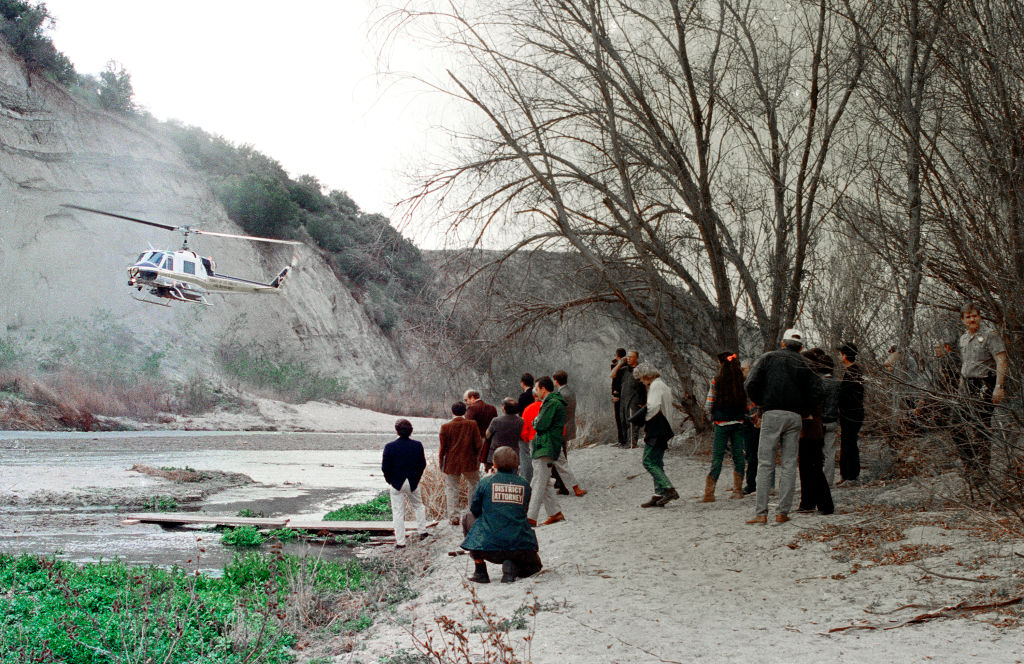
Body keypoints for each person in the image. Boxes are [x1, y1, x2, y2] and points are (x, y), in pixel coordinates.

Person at [744, 328, 821, 525]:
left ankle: (761, 513)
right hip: (795, 416)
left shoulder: (767, 358)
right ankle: (782, 512)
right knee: (788, 464)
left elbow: (750, 383)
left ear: (783, 343)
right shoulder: (807, 363)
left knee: (765, 464)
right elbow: (817, 392)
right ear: (801, 346)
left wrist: (762, 402)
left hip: (771, 413)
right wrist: (805, 410)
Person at [461, 447, 543, 584]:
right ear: (516, 464)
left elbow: (474, 510)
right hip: (520, 547)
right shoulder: (524, 484)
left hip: (490, 549)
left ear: (494, 464)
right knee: (535, 567)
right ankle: (511, 565)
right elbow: (522, 511)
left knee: (467, 518)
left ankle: (480, 569)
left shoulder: (485, 482)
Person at [954, 302, 1007, 490]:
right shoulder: (962, 339)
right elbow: (965, 365)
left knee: (981, 426)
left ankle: (982, 472)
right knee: (956, 425)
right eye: (968, 317)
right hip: (968, 384)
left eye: (974, 315)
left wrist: (999, 387)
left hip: (986, 382)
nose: (972, 319)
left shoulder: (990, 336)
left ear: (980, 316)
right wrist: (961, 388)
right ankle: (970, 465)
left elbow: (1001, 361)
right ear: (963, 320)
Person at [526, 376, 582, 526]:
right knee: (544, 481)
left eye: (537, 389)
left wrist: (536, 421)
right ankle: (555, 513)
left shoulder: (551, 403)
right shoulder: (554, 402)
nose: (536, 392)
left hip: (545, 446)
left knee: (538, 481)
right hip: (549, 444)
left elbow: (540, 424)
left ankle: (531, 517)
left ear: (543, 389)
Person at [630, 363, 679, 507]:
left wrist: (642, 420)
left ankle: (668, 489)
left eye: (641, 378)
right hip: (664, 427)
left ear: (646, 376)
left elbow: (652, 407)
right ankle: (659, 494)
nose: (641, 381)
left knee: (648, 461)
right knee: (657, 462)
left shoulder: (655, 386)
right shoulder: (662, 385)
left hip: (657, 427)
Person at [702, 352, 747, 502]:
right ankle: (738, 490)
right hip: (739, 421)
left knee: (717, 456)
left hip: (721, 423)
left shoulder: (717, 380)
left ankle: (709, 493)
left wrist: (710, 413)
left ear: (721, 363)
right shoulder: (742, 380)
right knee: (738, 455)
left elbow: (709, 402)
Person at [796, 349, 834, 515]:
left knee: (812, 467)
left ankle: (824, 504)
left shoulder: (811, 382)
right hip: (811, 429)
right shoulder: (814, 381)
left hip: (811, 429)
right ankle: (808, 502)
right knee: (807, 467)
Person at [381, 418, 428, 549]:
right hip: (412, 481)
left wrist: (390, 481)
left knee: (398, 512)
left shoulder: (390, 446)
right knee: (419, 506)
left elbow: (385, 467)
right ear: (411, 431)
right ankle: (422, 531)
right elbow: (422, 464)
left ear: (397, 431)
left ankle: (401, 542)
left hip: (397, 483)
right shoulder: (417, 445)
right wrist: (416, 478)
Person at [439, 401, 483, 525]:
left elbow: (442, 449)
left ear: (452, 412)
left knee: (452, 489)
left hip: (451, 463)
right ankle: (473, 512)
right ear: (465, 412)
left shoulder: (445, 427)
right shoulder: (472, 424)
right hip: (469, 461)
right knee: (474, 485)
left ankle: (454, 517)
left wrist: (441, 464)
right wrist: (475, 457)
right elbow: (479, 445)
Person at [553, 370, 587, 497]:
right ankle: (559, 481)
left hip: (562, 427)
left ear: (556, 380)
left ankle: (561, 484)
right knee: (563, 453)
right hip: (569, 425)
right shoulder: (570, 391)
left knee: (561, 456)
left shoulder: (560, 394)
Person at [837, 342, 864, 485]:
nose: (839, 356)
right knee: (848, 442)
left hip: (851, 413)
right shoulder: (855, 371)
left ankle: (850, 476)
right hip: (853, 412)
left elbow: (848, 396)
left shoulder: (852, 373)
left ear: (845, 355)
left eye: (840, 353)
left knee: (849, 443)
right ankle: (847, 475)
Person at [817, 352, 841, 488]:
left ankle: (818, 480)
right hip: (832, 420)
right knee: (830, 452)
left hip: (820, 421)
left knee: (817, 453)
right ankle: (828, 481)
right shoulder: (838, 383)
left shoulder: (819, 383)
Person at [483, 398, 525, 473]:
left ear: (505, 408)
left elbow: (487, 435)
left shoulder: (496, 420)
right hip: (513, 453)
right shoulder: (521, 421)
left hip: (496, 453)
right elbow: (522, 436)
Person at [617, 350, 646, 448]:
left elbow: (644, 385)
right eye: (628, 357)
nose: (629, 359)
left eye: (631, 357)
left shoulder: (640, 370)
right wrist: (619, 364)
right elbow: (612, 375)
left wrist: (642, 401)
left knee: (633, 421)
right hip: (623, 398)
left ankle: (632, 443)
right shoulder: (623, 370)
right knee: (623, 420)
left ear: (636, 358)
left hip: (635, 398)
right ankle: (625, 442)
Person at [610, 348, 627, 446]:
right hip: (624, 393)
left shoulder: (618, 366)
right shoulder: (625, 365)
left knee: (619, 417)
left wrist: (615, 394)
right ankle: (622, 439)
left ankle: (622, 440)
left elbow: (615, 381)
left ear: (617, 355)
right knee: (622, 417)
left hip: (619, 394)